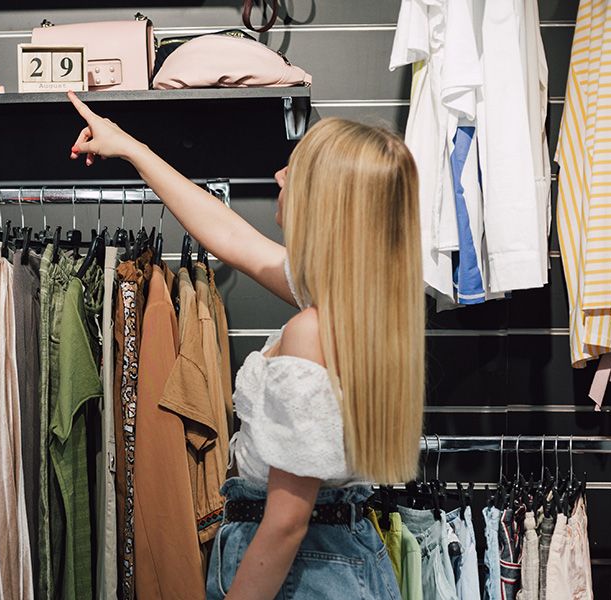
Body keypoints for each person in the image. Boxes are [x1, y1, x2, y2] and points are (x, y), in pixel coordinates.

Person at [67, 92, 424, 600]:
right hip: (332, 561)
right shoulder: (356, 308)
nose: (278, 176)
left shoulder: (311, 330)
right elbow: (229, 235)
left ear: (325, 202)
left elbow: (286, 524)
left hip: (305, 572)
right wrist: (130, 147)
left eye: (295, 170)